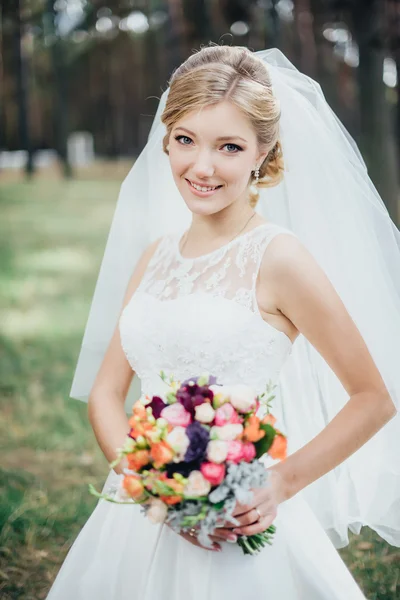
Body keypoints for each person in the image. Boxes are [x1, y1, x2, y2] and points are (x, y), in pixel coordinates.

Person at [46, 45, 400, 599]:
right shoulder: (155, 256)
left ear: (263, 153)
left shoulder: (279, 258)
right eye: (185, 140)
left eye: (229, 147)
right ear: (166, 139)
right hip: (140, 515)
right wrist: (149, 488)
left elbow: (373, 398)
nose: (202, 167)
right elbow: (105, 395)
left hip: (239, 513)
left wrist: (279, 482)